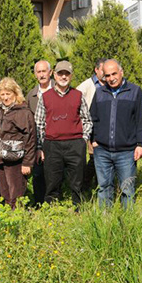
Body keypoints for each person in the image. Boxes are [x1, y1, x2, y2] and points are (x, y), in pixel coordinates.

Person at [90, 59, 142, 209]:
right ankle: (104, 222)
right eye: (107, 75)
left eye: (114, 73)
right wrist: (93, 139)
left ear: (121, 72)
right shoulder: (100, 93)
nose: (111, 78)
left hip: (126, 151)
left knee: (127, 189)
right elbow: (93, 117)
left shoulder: (134, 91)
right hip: (102, 150)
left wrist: (140, 144)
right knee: (103, 187)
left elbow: (140, 120)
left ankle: (128, 222)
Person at [35, 61, 92, 206]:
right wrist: (42, 145)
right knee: (52, 180)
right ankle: (52, 210)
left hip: (75, 144)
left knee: (77, 180)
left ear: (71, 76)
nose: (63, 76)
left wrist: (82, 140)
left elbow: (87, 120)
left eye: (67, 73)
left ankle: (79, 208)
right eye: (60, 73)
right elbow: (39, 123)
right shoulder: (46, 97)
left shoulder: (78, 95)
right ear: (54, 74)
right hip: (52, 144)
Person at [0, 78, 36, 209]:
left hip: (16, 160)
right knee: (4, 192)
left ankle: (17, 221)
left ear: (15, 93)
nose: (5, 98)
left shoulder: (23, 112)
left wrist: (27, 163)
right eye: (2, 94)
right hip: (1, 158)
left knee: (16, 194)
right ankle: (8, 221)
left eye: (8, 94)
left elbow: (30, 138)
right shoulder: (1, 111)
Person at [76, 58, 106, 196]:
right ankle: (86, 184)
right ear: (96, 70)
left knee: (102, 158)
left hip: (105, 127)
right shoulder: (87, 85)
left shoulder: (109, 84)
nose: (105, 73)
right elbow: (75, 100)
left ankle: (99, 184)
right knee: (94, 157)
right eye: (102, 70)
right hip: (90, 127)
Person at [26, 60, 54, 205]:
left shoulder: (59, 90)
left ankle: (54, 204)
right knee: (38, 174)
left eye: (44, 71)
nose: (42, 75)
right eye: (39, 72)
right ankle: (39, 204)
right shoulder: (31, 95)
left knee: (55, 174)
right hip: (38, 141)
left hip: (56, 140)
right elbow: (30, 122)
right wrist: (37, 147)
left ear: (50, 72)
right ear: (35, 74)